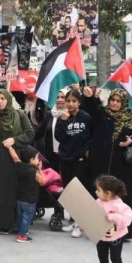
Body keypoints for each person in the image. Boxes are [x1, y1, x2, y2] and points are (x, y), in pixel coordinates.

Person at [83, 87, 132, 240]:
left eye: (118, 101)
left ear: (123, 103)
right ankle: (96, 228)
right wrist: (89, 97)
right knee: (99, 195)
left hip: (121, 166)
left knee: (120, 198)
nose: (114, 103)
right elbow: (92, 109)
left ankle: (121, 231)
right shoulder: (103, 114)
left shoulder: (131, 118)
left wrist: (131, 141)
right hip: (100, 163)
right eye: (112, 100)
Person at [0, 88, 34, 234]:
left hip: (15, 158)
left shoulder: (19, 115)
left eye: (2, 98)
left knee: (16, 190)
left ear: (8, 99)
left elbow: (30, 134)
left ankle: (20, 223)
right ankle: (3, 223)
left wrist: (15, 140)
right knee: (1, 191)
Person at [55, 88, 93, 237]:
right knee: (69, 190)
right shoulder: (62, 117)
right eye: (68, 101)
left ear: (79, 102)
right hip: (65, 158)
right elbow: (60, 137)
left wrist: (88, 151)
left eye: (74, 101)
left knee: (80, 191)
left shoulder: (85, 117)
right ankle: (73, 220)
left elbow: (92, 135)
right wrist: (63, 122)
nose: (70, 104)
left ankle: (80, 224)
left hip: (80, 159)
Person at [94, 175, 132, 263]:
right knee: (102, 255)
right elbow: (92, 215)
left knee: (115, 257)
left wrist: (113, 217)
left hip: (116, 236)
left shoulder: (120, 206)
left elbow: (127, 219)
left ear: (108, 193)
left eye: (98, 190)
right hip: (101, 235)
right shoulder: (98, 202)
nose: (96, 192)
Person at [7, 146, 45, 243]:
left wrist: (10, 148)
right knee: (26, 217)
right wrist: (40, 169)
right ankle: (22, 235)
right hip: (30, 200)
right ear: (31, 159)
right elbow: (43, 182)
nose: (38, 160)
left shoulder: (20, 166)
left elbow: (15, 157)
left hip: (20, 198)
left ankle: (20, 230)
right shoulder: (35, 172)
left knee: (20, 216)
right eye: (36, 158)